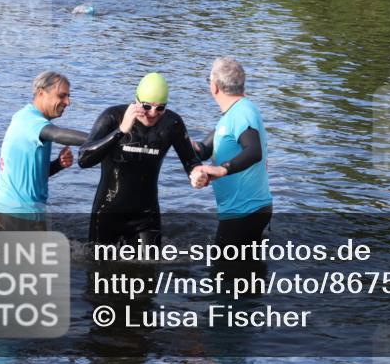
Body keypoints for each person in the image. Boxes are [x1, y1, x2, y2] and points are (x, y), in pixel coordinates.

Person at [78, 72, 201, 247]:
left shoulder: (172, 123)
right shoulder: (113, 117)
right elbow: (83, 159)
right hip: (108, 212)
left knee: (150, 269)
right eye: (146, 106)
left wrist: (196, 173)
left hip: (146, 216)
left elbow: (190, 161)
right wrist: (120, 130)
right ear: (136, 101)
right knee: (100, 269)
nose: (152, 113)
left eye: (160, 108)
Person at [0, 71, 87, 230]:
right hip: (15, 215)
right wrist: (103, 138)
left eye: (68, 96)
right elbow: (58, 134)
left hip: (17, 213)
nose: (67, 102)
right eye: (61, 96)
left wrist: (58, 164)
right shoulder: (30, 120)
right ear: (41, 93)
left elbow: (32, 175)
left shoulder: (29, 119)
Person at [190, 58, 272, 247]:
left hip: (245, 211)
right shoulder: (234, 113)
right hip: (246, 211)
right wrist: (179, 138)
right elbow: (203, 150)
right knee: (247, 270)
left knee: (224, 271)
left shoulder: (242, 113)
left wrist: (221, 170)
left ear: (214, 87)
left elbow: (254, 151)